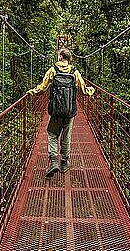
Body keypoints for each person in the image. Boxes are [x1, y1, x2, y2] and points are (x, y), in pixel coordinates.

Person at [27, 48, 94, 177]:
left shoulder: (53, 70)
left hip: (56, 111)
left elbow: (42, 87)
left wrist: (32, 92)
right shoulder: (75, 72)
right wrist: (92, 90)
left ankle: (53, 161)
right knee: (66, 136)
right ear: (69, 59)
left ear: (60, 57)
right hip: (69, 111)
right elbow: (83, 90)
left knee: (52, 133)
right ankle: (64, 162)